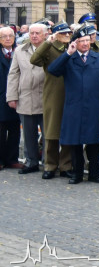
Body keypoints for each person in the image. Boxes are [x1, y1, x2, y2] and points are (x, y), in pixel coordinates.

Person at [47, 26, 99, 184]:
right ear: (74, 43)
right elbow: (52, 70)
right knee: (75, 142)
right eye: (81, 41)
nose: (85, 44)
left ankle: (94, 173)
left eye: (87, 40)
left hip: (94, 106)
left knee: (94, 142)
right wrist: (68, 53)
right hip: (74, 106)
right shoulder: (68, 58)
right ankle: (77, 173)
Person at [31, 23, 73, 179]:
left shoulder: (73, 47)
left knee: (68, 131)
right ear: (55, 34)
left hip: (70, 94)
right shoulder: (49, 48)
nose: (67, 35)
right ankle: (50, 165)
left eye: (69, 32)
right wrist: (47, 42)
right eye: (63, 32)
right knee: (51, 132)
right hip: (53, 95)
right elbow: (34, 59)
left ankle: (66, 165)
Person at [6, 22, 46, 174]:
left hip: (45, 98)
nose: (34, 36)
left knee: (48, 134)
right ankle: (31, 162)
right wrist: (12, 96)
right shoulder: (20, 50)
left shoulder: (51, 50)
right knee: (29, 134)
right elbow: (13, 74)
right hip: (26, 97)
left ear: (45, 34)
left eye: (37, 33)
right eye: (32, 33)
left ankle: (48, 163)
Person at [0, 27, 22, 169]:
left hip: (17, 96)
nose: (8, 39)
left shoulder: (19, 52)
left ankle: (12, 159)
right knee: (1, 131)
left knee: (15, 129)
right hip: (1, 96)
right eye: (4, 36)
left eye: (10, 36)